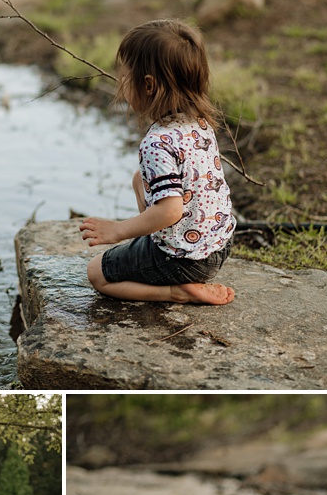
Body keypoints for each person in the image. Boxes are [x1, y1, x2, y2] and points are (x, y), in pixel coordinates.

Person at [80, 18, 236, 306]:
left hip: (186, 260)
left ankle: (176, 291)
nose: (121, 82)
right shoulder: (199, 124)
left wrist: (118, 230)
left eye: (126, 75)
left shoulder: (157, 143)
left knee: (96, 273)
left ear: (148, 85)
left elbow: (171, 211)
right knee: (140, 178)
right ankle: (159, 248)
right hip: (220, 245)